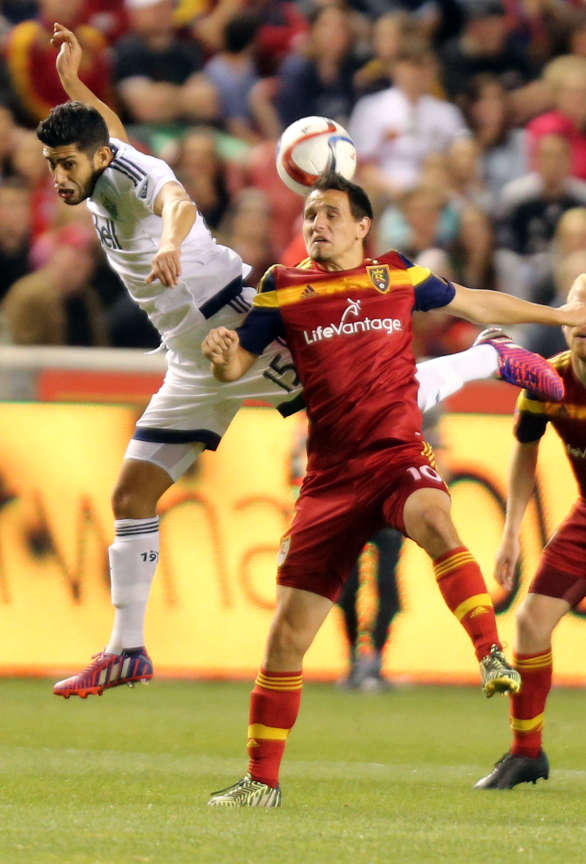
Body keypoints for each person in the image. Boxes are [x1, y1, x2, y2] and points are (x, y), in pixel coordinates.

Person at [44, 22, 565, 702]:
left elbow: (171, 196)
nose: (58, 178)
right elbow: (111, 133)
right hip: (190, 360)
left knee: (360, 400)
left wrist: (174, 241)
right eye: (54, 166)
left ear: (95, 159)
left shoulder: (139, 175)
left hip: (238, 323)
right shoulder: (103, 163)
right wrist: (73, 85)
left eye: (65, 166)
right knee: (131, 497)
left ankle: (484, 360)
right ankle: (127, 650)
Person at [201, 172, 585, 807]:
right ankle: (260, 781)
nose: (315, 224)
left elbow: (474, 300)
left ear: (361, 226)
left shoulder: (396, 275)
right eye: (308, 214)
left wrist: (557, 315)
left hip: (395, 455)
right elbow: (238, 363)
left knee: (435, 517)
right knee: (287, 636)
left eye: (329, 214)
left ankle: (491, 655)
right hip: (328, 479)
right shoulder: (281, 287)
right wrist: (221, 355)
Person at [475, 272, 586, 790]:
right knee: (531, 621)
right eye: (576, 307)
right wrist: (512, 532)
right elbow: (524, 450)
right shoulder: (548, 383)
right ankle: (526, 753)